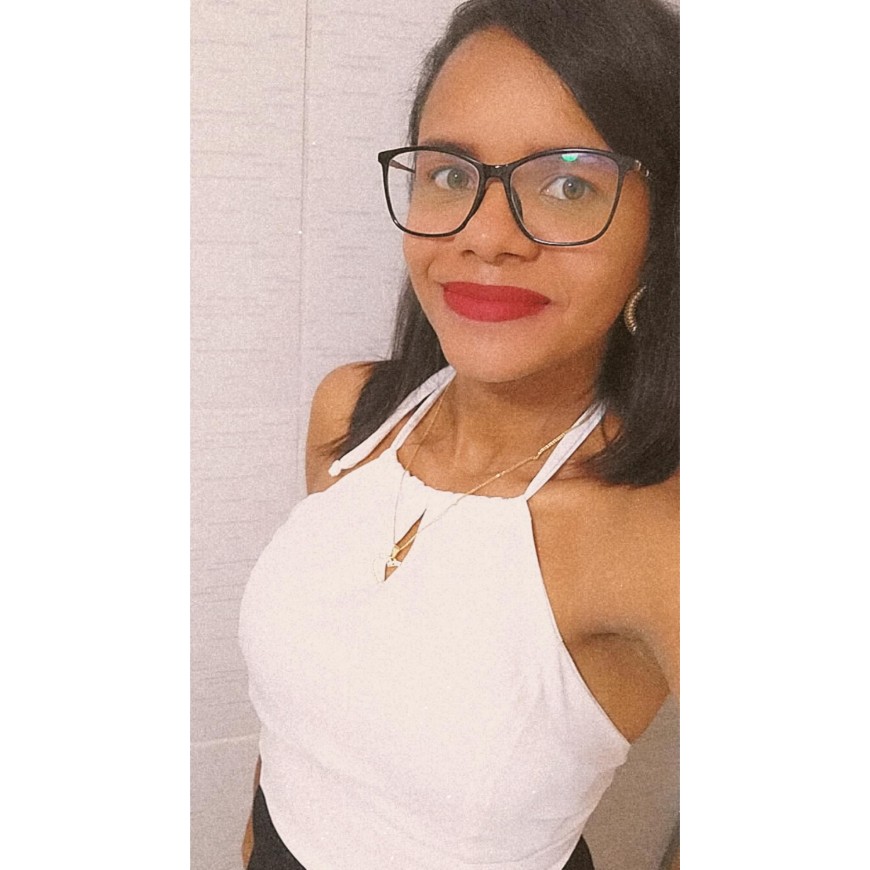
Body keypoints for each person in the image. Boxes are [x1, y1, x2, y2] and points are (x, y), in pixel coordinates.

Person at [239, 0, 679, 867]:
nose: (484, 236)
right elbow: (293, 733)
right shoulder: (352, 414)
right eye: (449, 174)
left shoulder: (658, 538)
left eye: (568, 184)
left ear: (661, 231)